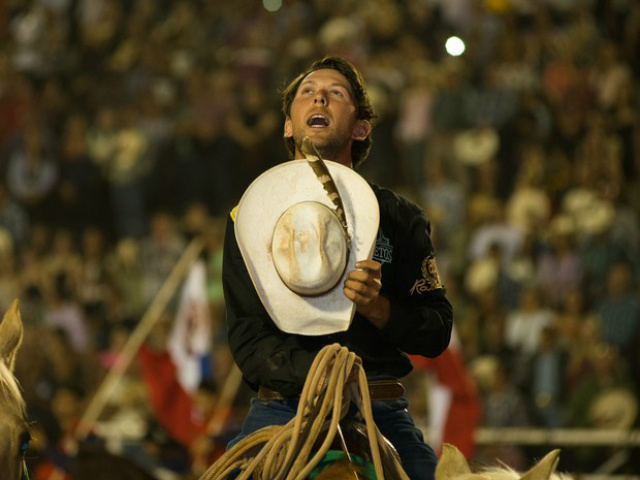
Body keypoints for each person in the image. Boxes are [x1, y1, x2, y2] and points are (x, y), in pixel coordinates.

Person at [222, 56, 453, 480]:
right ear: (289, 125)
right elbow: (247, 337)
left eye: (336, 93)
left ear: (360, 127)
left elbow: (437, 329)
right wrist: (319, 376)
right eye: (307, 93)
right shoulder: (248, 218)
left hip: (377, 406)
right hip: (281, 407)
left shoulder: (400, 217)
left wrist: (378, 308)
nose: (320, 97)